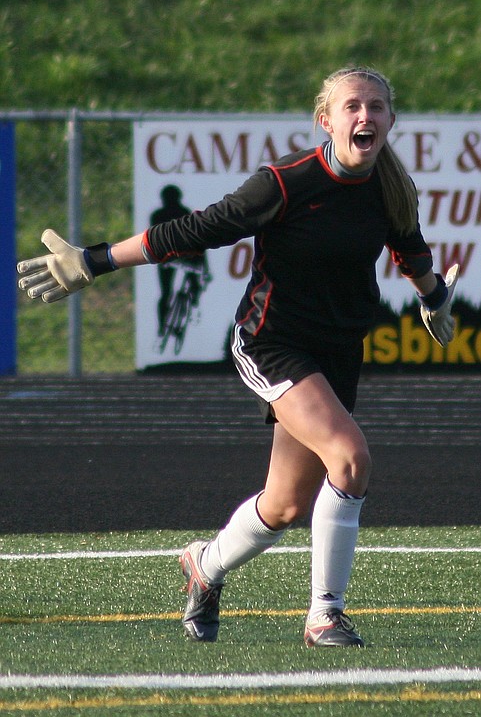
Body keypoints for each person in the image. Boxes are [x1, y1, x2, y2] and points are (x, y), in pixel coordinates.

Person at [17, 66, 459, 648]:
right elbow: (193, 230)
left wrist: (433, 300)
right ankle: (325, 615)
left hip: (336, 351)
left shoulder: (391, 187)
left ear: (391, 121)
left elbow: (409, 246)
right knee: (350, 459)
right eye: (352, 106)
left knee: (283, 505)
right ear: (325, 120)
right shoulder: (285, 182)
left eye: (376, 107)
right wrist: (94, 261)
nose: (365, 117)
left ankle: (204, 565)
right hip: (273, 343)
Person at [150, 185, 210, 336]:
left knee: (166, 293)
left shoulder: (160, 214)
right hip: (175, 258)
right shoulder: (181, 213)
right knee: (168, 292)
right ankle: (164, 324)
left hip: (169, 259)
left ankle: (164, 325)